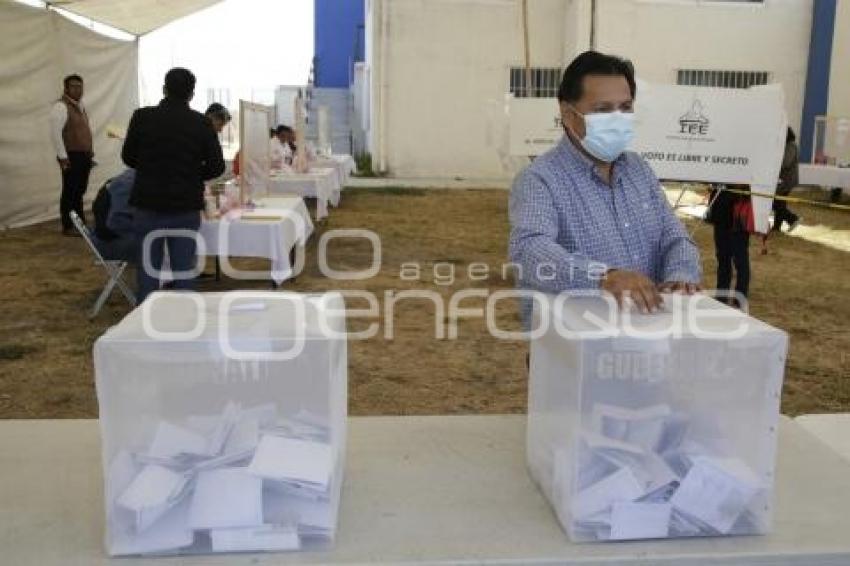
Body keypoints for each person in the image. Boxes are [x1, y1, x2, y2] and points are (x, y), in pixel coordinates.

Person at [509, 50, 701, 325]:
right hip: (574, 347)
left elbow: (675, 237)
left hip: (646, 336)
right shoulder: (540, 179)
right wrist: (603, 276)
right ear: (567, 113)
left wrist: (680, 277)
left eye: (625, 107)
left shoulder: (639, 170)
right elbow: (529, 251)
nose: (617, 118)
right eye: (602, 110)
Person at [122, 67, 225, 301]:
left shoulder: (142, 117)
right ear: (191, 94)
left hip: (147, 204)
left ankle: (145, 324)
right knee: (184, 270)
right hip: (185, 206)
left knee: (148, 270)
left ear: (164, 89)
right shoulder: (201, 123)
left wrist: (152, 168)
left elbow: (128, 157)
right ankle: (185, 323)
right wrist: (192, 174)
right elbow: (217, 166)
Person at [50, 74, 94, 236]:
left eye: (80, 86)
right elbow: (56, 134)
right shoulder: (61, 107)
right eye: (74, 86)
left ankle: (80, 222)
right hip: (71, 156)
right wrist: (63, 157)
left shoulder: (80, 105)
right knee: (70, 191)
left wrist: (89, 152)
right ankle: (68, 226)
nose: (78, 89)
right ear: (66, 88)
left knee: (79, 191)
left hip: (83, 156)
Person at [706, 184, 752, 307]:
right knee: (722, 258)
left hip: (738, 217)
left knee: (740, 260)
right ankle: (722, 295)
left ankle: (740, 297)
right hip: (721, 215)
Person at [90, 169, 138, 265]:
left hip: (115, 237)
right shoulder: (128, 182)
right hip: (112, 244)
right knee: (160, 240)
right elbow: (116, 223)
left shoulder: (132, 176)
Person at [772, 127, 800, 232]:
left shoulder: (791, 146)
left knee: (777, 202)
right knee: (778, 202)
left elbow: (786, 163)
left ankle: (792, 219)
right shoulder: (786, 145)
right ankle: (777, 226)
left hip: (787, 180)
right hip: (783, 179)